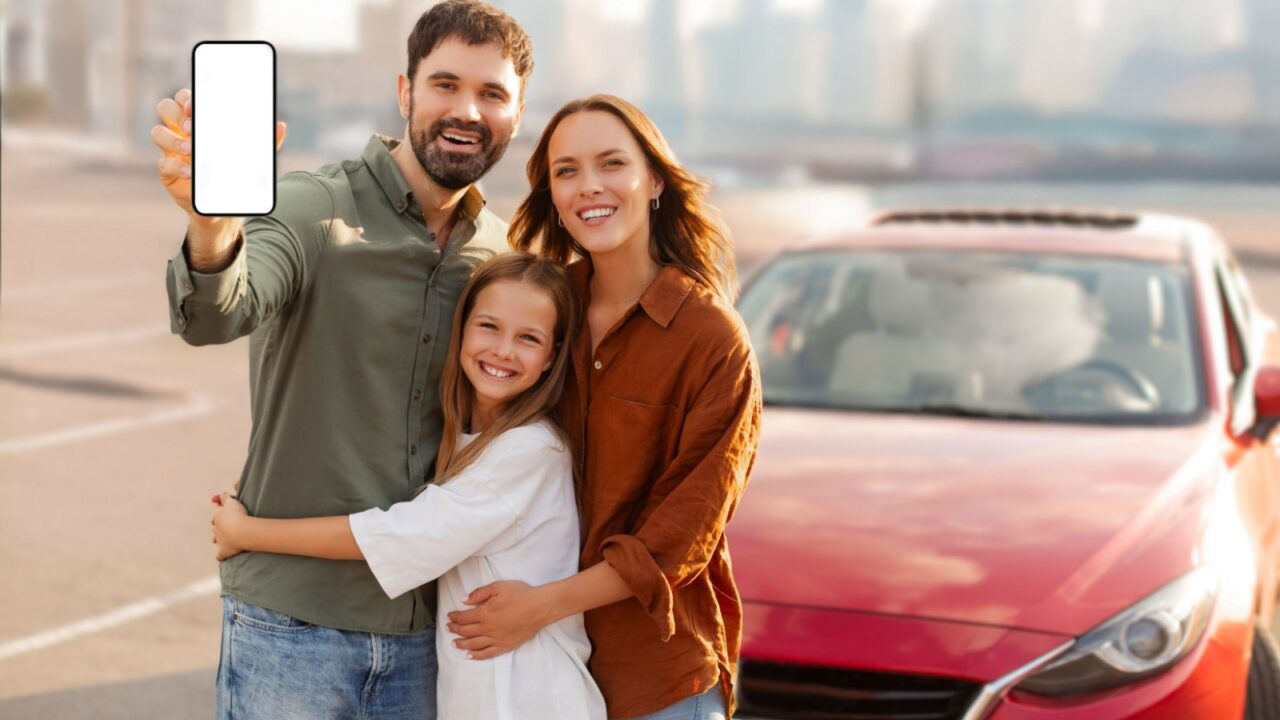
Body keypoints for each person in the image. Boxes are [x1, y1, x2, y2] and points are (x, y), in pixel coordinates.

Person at [150, 2, 532, 717]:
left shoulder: (502, 257)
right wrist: (209, 225)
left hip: (429, 639)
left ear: (516, 112)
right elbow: (219, 310)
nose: (467, 110)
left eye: (492, 94)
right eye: (445, 84)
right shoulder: (309, 208)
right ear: (405, 91)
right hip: (290, 632)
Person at [449, 95, 763, 719]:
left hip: (655, 677)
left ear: (652, 181)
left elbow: (679, 539)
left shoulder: (711, 339)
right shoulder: (542, 310)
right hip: (533, 672)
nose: (589, 186)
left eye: (611, 163)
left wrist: (540, 605)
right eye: (566, 170)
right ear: (553, 197)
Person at [210, 253, 605, 720]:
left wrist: (248, 532)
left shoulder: (533, 451)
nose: (502, 350)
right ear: (461, 330)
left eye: (528, 338)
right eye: (489, 327)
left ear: (551, 357)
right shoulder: (462, 435)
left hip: (528, 699)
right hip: (481, 693)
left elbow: (397, 534)